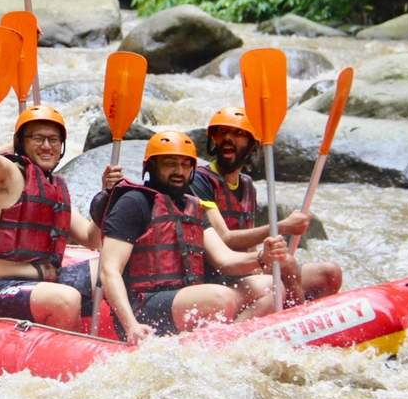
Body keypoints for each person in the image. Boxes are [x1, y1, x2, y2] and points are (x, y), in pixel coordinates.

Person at [97, 131, 297, 344]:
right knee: (220, 298)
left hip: (188, 297)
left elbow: (225, 260)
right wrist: (131, 325)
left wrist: (262, 257)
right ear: (151, 167)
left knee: (272, 286)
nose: (179, 171)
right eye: (170, 164)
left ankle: (227, 345)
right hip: (143, 306)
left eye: (185, 165)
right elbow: (109, 270)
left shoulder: (193, 206)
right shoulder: (134, 203)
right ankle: (216, 343)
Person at [0, 53, 103, 330]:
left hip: (46, 284)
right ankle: (70, 348)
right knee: (66, 299)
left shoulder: (54, 188)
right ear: (21, 144)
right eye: (38, 138)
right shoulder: (8, 175)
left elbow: (91, 238)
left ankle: (127, 337)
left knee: (108, 269)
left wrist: (105, 200)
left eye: (54, 140)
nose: (47, 146)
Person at [191, 107, 342, 303]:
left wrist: (268, 261)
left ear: (253, 145)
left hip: (247, 269)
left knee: (329, 273)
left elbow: (250, 246)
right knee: (284, 270)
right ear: (214, 139)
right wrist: (282, 227)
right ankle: (294, 312)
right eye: (222, 132)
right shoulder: (199, 180)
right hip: (219, 276)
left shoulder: (247, 185)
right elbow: (224, 238)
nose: (228, 138)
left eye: (238, 133)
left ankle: (302, 313)